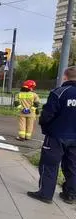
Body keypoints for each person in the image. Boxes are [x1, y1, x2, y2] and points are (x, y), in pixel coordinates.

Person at [27, 66, 76, 204]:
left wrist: (45, 126)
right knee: (73, 166)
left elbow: (47, 115)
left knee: (49, 165)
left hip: (56, 136)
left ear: (65, 77)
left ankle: (45, 194)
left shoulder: (59, 93)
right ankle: (70, 194)